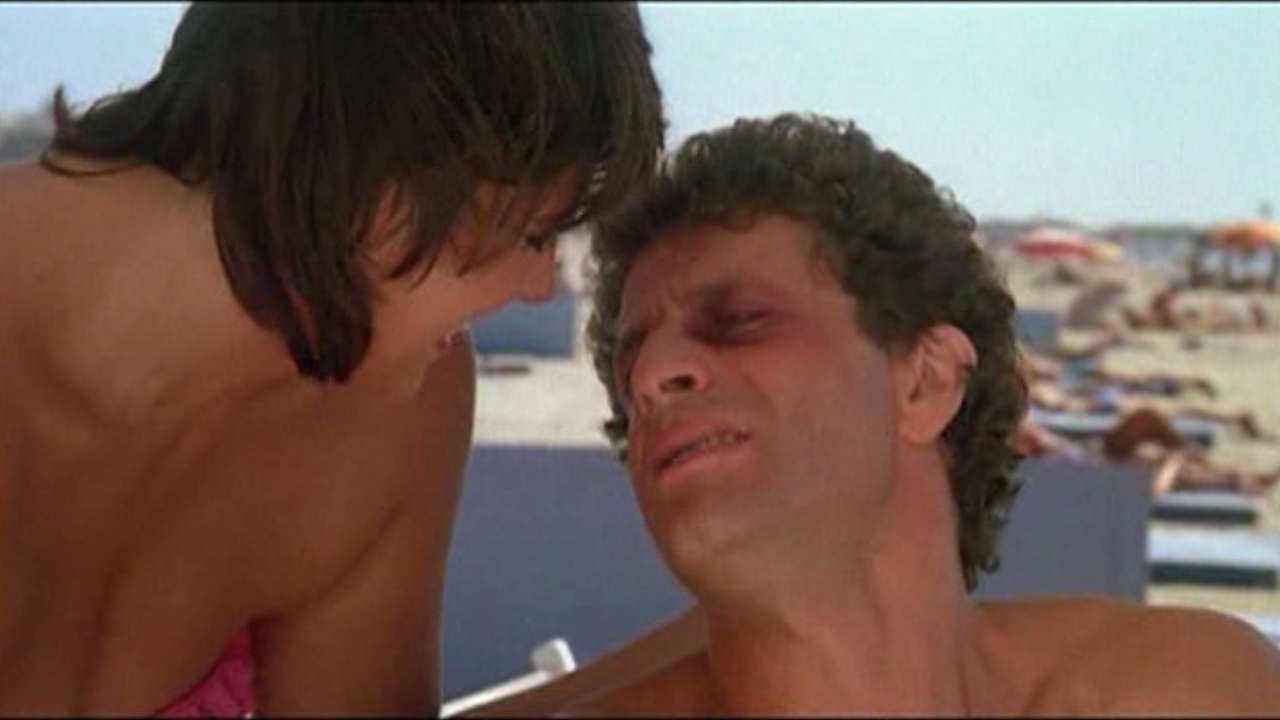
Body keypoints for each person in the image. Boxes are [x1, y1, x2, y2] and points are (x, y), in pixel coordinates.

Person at [0, 3, 665, 716]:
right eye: (532, 234)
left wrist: (713, 651)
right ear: (381, 151)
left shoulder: (388, 414)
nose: (537, 289)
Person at [499, 113, 1280, 715]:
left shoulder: (1194, 694)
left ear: (925, 383)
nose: (649, 377)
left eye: (739, 320)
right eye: (630, 360)